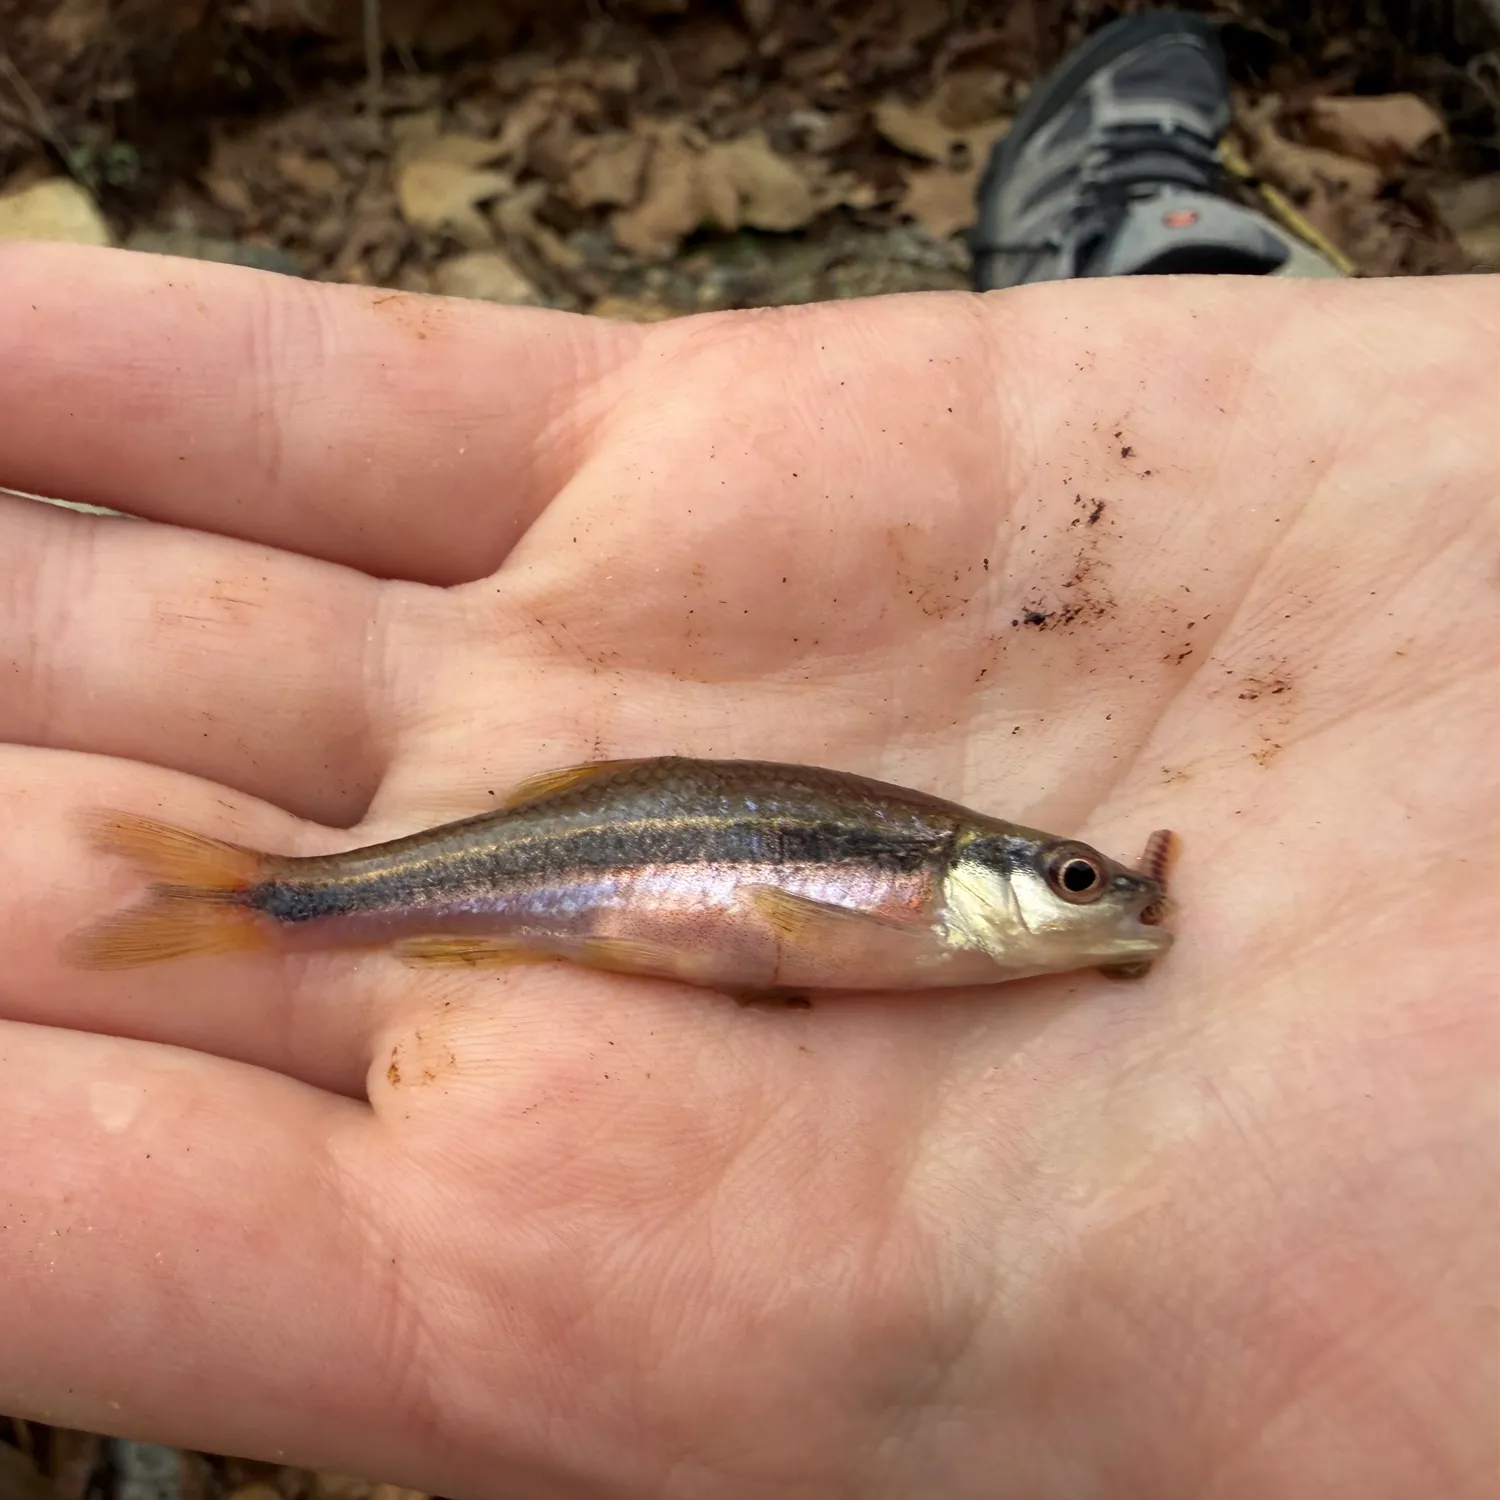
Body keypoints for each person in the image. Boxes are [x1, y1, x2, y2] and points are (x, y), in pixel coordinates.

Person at [0, 10, 1493, 1500]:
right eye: (1073, 881)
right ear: (971, 875)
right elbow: (770, 914)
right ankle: (269, 898)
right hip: (591, 864)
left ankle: (265, 900)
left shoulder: (951, 909)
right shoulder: (930, 883)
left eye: (1082, 879)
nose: (1098, 900)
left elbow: (778, 922)